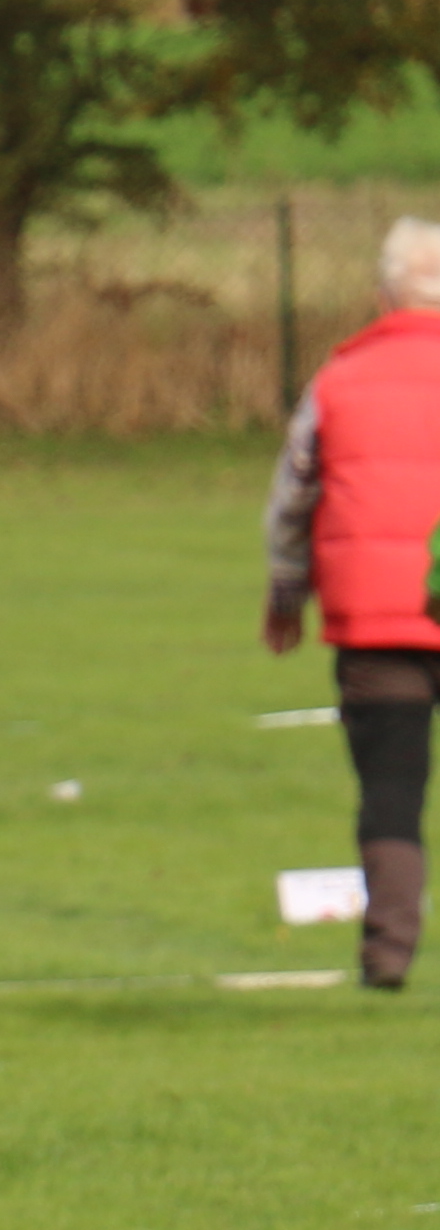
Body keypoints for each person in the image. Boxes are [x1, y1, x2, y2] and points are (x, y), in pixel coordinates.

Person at [261, 213, 440, 986]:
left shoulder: (339, 380)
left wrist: (285, 593)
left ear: (381, 296)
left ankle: (388, 954)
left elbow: (292, 500)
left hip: (377, 618)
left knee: (392, 787)